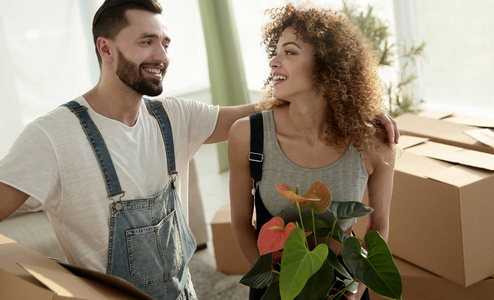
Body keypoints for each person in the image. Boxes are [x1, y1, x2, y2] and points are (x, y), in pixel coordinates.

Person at [0, 0, 397, 299]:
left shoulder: (172, 117)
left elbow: (275, 108)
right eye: (146, 42)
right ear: (105, 49)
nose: (162, 56)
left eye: (165, 42)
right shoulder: (52, 136)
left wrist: (353, 103)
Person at [228, 3, 396, 300]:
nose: (273, 62)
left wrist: (355, 290)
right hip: (276, 289)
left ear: (328, 65)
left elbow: (378, 226)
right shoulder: (247, 135)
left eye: (289, 52)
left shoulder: (374, 142)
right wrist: (278, 284)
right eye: (275, 51)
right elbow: (242, 223)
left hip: (346, 288)